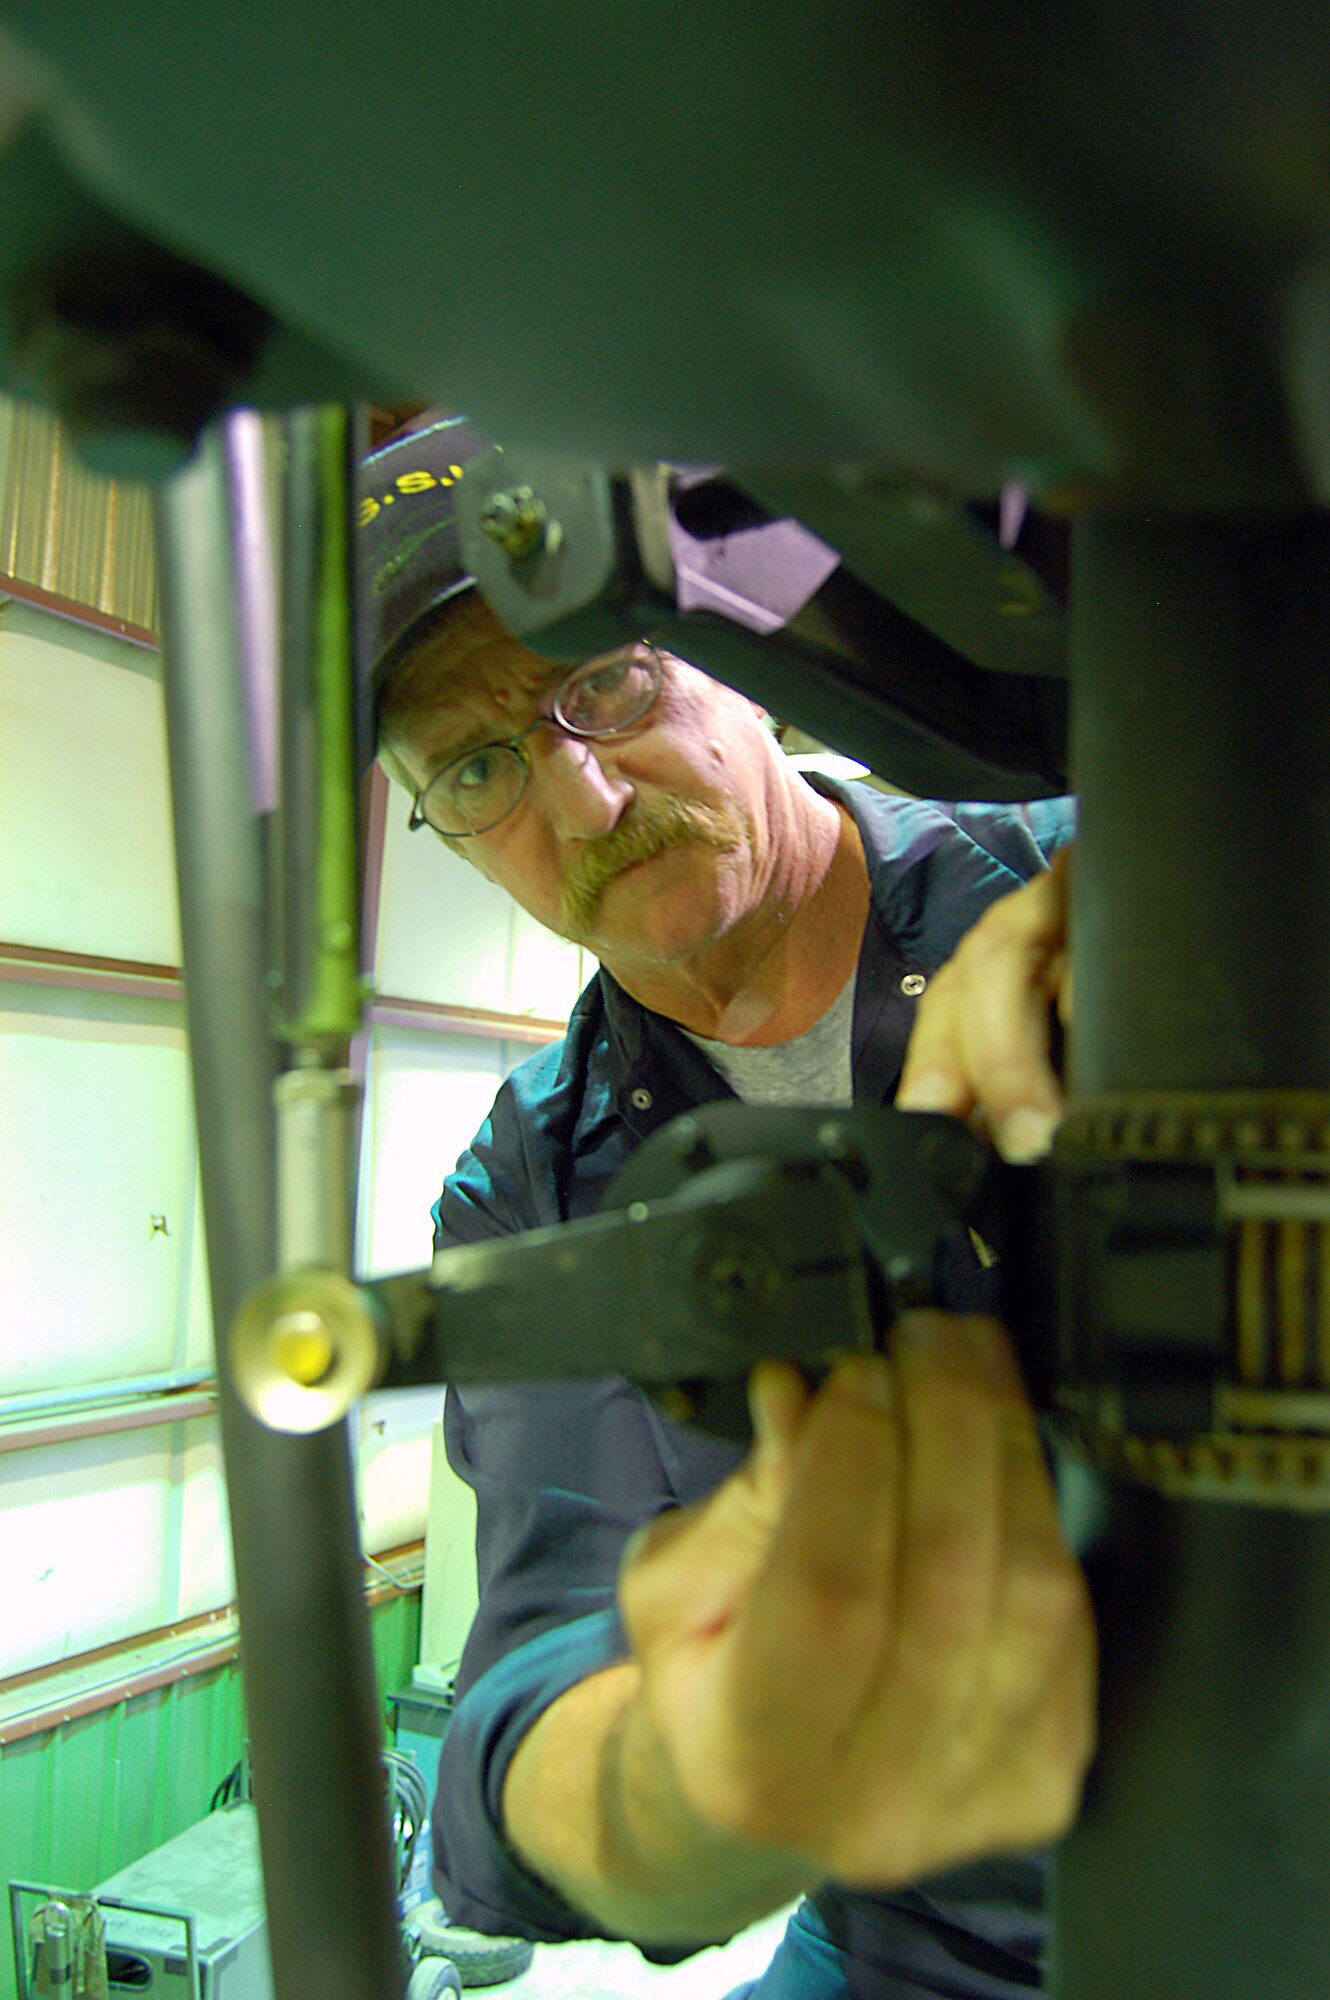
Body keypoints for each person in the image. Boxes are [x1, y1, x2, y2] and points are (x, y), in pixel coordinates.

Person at [359, 416, 1092, 1999]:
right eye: (478, 769)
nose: (583, 803)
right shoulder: (534, 1194)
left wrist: (1185, 920)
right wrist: (682, 1783)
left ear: (740, 660)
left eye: (605, 684)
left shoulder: (1098, 872)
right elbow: (544, 1656)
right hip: (932, 1925)